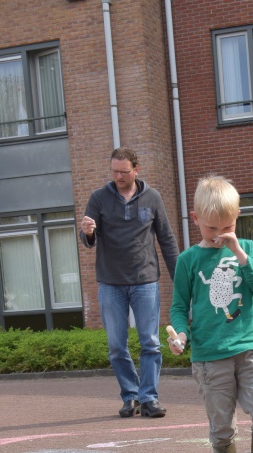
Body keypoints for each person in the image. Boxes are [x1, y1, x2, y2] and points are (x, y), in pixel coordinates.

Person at [166, 176, 253, 453]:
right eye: (211, 228)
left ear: (237, 217)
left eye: (227, 227)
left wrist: (239, 252)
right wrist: (181, 336)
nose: (219, 235)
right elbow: (178, 307)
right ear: (195, 219)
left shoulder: (246, 247)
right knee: (221, 429)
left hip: (250, 348)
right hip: (209, 356)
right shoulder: (188, 260)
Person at [80, 147, 179, 418]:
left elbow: (167, 239)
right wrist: (87, 232)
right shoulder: (99, 198)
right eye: (114, 171)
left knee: (150, 342)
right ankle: (130, 396)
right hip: (110, 282)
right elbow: (88, 240)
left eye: (124, 172)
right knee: (116, 346)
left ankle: (149, 398)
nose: (118, 176)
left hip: (145, 280)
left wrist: (180, 279)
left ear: (136, 169)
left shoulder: (152, 197)